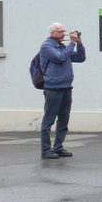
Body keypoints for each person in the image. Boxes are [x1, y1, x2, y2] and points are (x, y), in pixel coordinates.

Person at [40, 23, 86, 159]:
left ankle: (58, 147)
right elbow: (60, 58)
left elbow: (80, 58)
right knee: (49, 121)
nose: (64, 34)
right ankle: (46, 150)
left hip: (66, 87)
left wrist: (79, 43)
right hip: (53, 89)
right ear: (52, 33)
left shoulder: (62, 47)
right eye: (60, 32)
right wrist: (72, 43)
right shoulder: (46, 46)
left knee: (63, 120)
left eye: (64, 32)